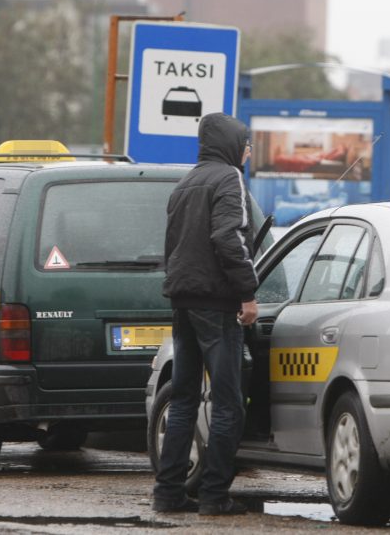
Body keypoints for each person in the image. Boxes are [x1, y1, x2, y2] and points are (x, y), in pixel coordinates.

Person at [152, 112, 259, 516]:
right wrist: (247, 292)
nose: (247, 151)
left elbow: (176, 243)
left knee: (183, 400)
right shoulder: (228, 178)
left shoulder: (186, 182)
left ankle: (168, 493)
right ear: (231, 145)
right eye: (245, 143)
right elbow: (227, 237)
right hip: (217, 304)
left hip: (182, 301)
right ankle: (215, 495)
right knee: (229, 402)